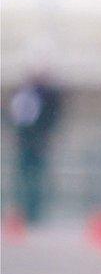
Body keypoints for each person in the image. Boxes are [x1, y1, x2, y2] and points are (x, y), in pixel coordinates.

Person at [7, 70, 63, 224]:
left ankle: (34, 213)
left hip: (38, 144)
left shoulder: (48, 97)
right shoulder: (20, 95)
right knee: (22, 179)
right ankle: (22, 212)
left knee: (37, 179)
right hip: (24, 143)